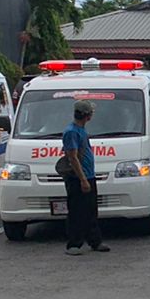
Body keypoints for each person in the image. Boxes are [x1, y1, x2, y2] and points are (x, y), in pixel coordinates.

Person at [62, 97, 110, 255]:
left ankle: (94, 241)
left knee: (90, 210)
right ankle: (74, 243)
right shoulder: (71, 132)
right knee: (77, 211)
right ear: (86, 115)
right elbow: (73, 157)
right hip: (78, 179)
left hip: (88, 176)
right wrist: (82, 179)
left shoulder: (81, 130)